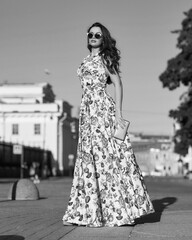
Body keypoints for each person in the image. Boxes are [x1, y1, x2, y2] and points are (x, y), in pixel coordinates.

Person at [62, 22, 154, 227]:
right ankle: (84, 212)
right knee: (88, 160)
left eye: (98, 35)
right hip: (87, 113)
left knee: (108, 159)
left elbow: (118, 84)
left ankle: (119, 211)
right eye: (91, 34)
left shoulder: (106, 57)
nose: (93, 37)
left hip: (102, 111)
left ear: (104, 39)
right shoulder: (86, 60)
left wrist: (118, 114)